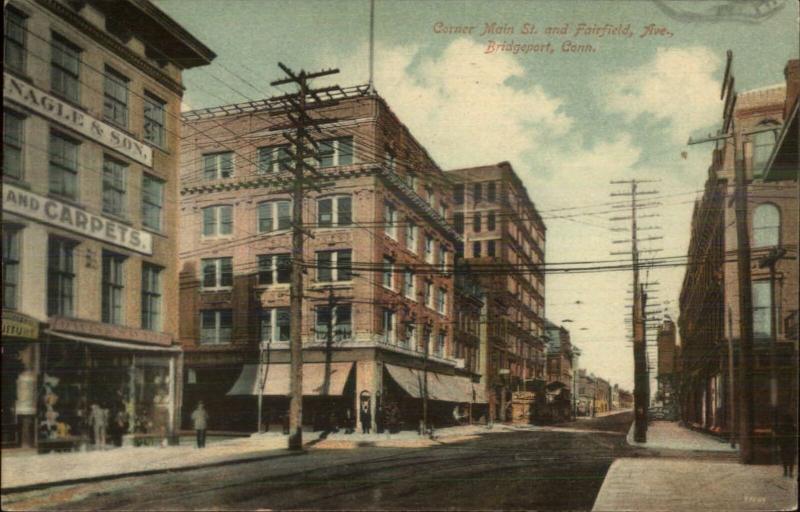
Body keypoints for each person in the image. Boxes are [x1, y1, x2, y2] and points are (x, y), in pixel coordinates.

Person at [775, 414, 797, 478]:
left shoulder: (782, 427)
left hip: (784, 445)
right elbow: (794, 436)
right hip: (791, 445)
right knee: (791, 459)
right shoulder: (793, 427)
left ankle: (785, 472)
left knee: (784, 459)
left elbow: (779, 435)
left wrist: (779, 443)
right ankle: (790, 472)